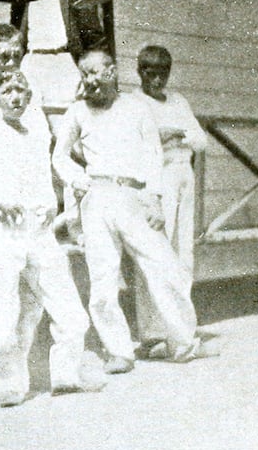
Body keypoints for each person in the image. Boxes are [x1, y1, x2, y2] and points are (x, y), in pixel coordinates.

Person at [52, 49, 211, 372]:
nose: (90, 81)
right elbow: (60, 156)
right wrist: (76, 179)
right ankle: (119, 351)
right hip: (98, 196)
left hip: (134, 196)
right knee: (103, 278)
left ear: (111, 72)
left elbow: (153, 155)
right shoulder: (77, 112)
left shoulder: (135, 107)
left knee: (164, 266)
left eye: (95, 73)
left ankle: (183, 342)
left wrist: (153, 197)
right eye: (84, 75)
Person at [0, 69, 95, 406]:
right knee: (3, 316)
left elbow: (45, 176)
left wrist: (50, 203)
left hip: (39, 231)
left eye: (20, 90)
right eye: (6, 90)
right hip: (5, 231)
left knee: (69, 309)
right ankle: (8, 386)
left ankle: (65, 375)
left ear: (29, 97)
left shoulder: (36, 133)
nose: (14, 97)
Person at [131, 45, 208, 357]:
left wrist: (176, 135)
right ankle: (152, 333)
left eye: (163, 71)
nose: (157, 78)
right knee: (155, 251)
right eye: (150, 71)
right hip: (155, 177)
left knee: (181, 251)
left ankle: (181, 329)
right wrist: (161, 137)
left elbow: (200, 140)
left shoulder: (178, 101)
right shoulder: (133, 102)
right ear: (140, 72)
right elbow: (136, 142)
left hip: (182, 175)